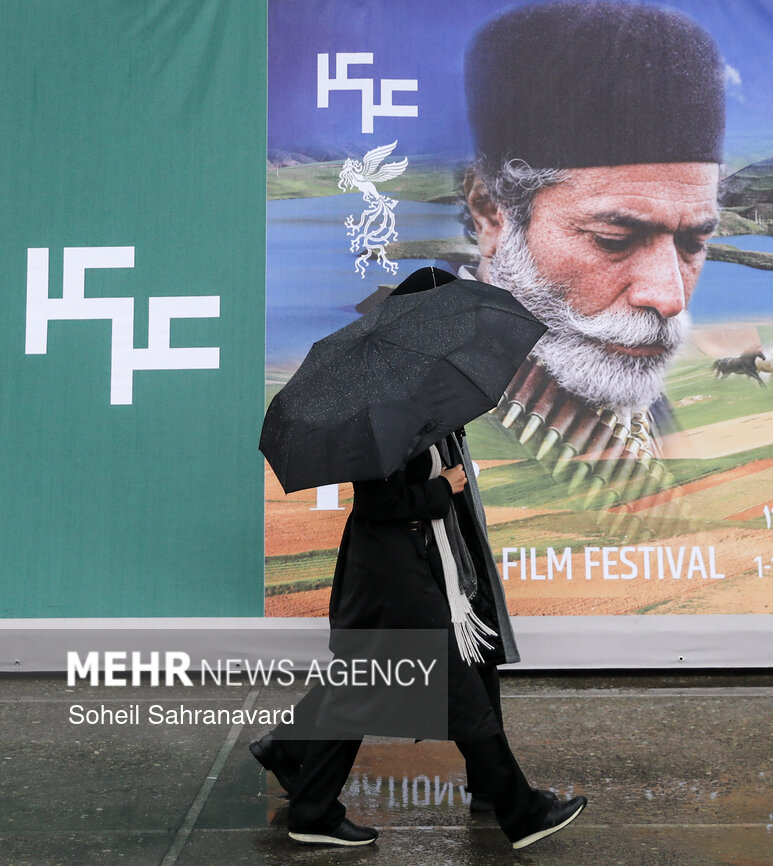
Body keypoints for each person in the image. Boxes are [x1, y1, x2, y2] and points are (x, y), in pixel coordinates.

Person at [250, 267, 586, 849]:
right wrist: (446, 486)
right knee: (458, 697)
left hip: (410, 574)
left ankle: (306, 792)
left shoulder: (421, 400)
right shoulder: (383, 404)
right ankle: (520, 810)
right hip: (394, 579)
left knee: (365, 690)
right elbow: (380, 502)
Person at [459, 1, 726, 512]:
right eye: (613, 239)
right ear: (491, 212)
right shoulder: (427, 417)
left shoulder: (631, 379)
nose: (669, 298)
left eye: (693, 243)